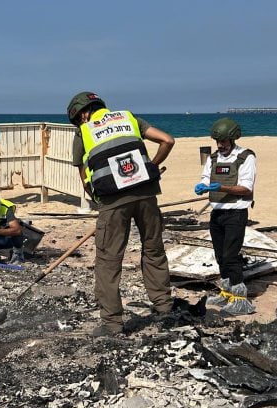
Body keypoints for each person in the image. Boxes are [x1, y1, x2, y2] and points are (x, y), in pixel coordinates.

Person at [68, 91, 177, 337]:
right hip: (146, 194)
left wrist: (97, 198)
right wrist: (152, 167)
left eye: (78, 120)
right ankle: (164, 307)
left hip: (113, 200)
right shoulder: (129, 118)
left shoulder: (84, 132)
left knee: (108, 261)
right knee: (153, 249)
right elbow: (167, 141)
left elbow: (85, 177)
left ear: (83, 113)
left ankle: (112, 324)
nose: (80, 124)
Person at [194, 117, 257, 315]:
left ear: (233, 139)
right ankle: (226, 292)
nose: (220, 146)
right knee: (220, 256)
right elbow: (206, 177)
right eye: (217, 142)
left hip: (236, 213)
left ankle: (240, 299)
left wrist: (222, 187)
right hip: (217, 212)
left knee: (231, 256)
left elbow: (246, 188)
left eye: (223, 142)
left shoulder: (246, 157)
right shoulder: (213, 159)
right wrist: (203, 185)